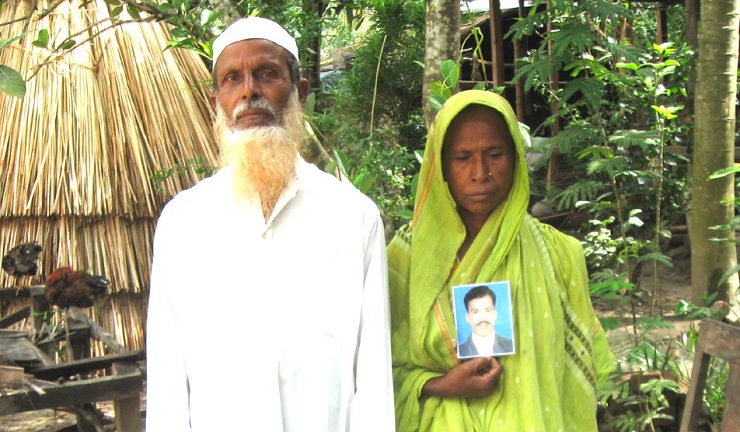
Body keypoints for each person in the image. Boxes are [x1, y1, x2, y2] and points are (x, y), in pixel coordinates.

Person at [145, 16, 395, 432]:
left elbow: (372, 384)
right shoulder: (183, 223)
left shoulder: (352, 218)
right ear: (217, 103)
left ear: (300, 92)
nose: (249, 91)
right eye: (232, 78)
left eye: (266, 74)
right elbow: (169, 388)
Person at [388, 90, 614, 431]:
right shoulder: (405, 259)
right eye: (463, 157)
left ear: (516, 160)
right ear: (441, 167)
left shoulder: (558, 255)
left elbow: (577, 373)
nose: (480, 172)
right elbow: (374, 371)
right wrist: (441, 385)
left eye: (494, 154)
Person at [458, 285, 513, 357]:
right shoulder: (460, 351)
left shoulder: (510, 345)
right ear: (467, 317)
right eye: (475, 312)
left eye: (488, 310)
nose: (483, 318)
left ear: (495, 314)